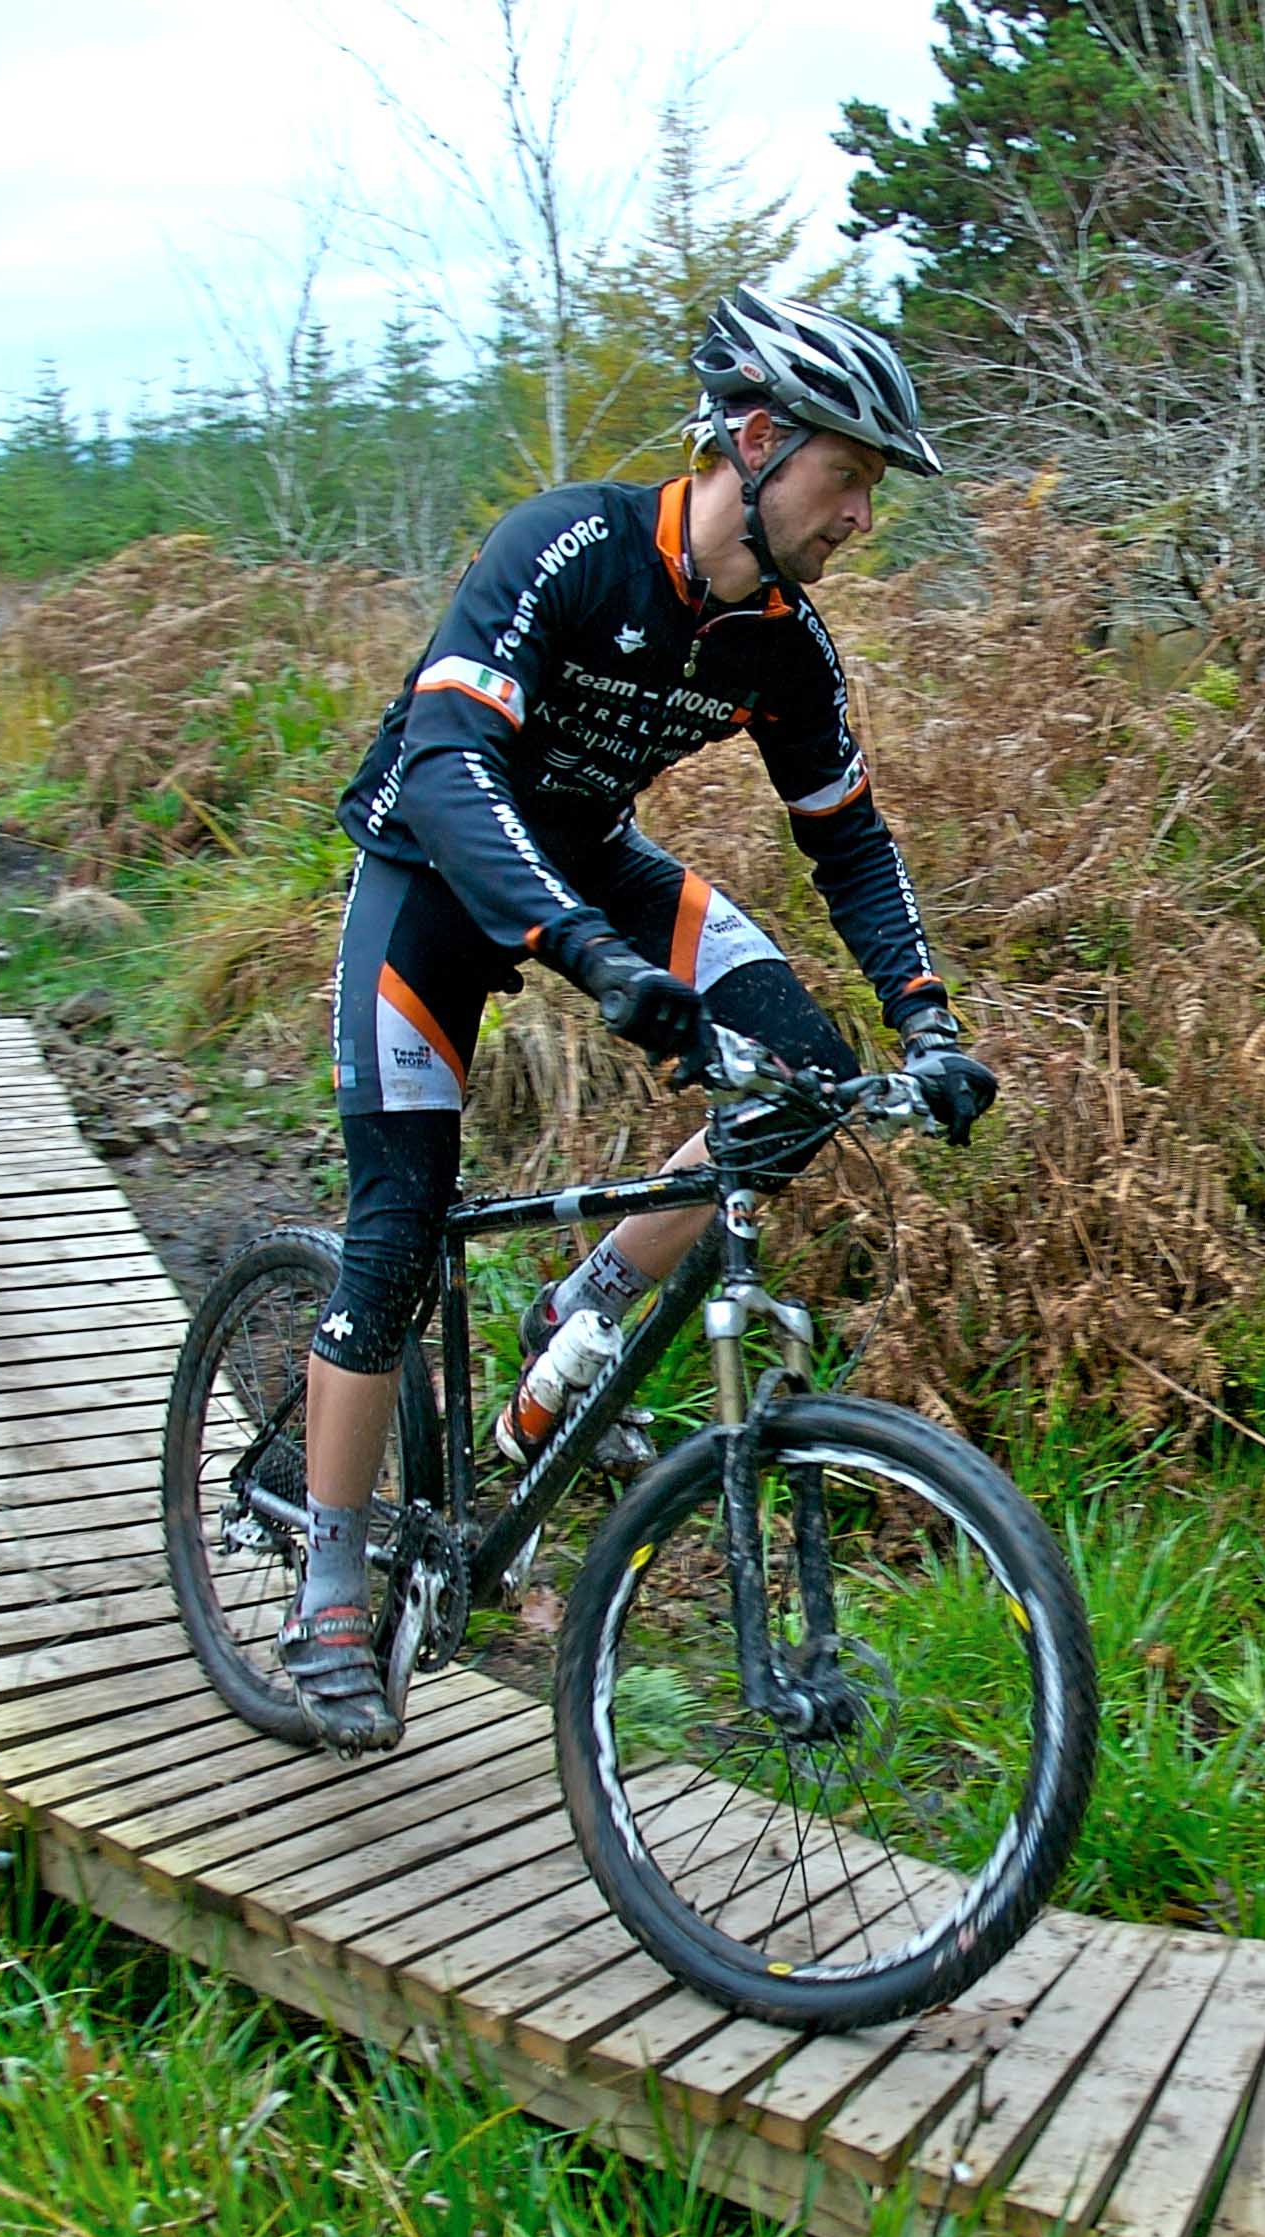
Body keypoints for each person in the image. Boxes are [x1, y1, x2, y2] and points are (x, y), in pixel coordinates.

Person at [283, 289, 1000, 1753]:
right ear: (754, 441)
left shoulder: (782, 647)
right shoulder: (570, 544)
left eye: (872, 487)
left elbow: (847, 841)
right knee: (398, 1229)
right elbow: (442, 763)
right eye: (847, 476)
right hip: (432, 867)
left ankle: (587, 1301)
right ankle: (330, 1571)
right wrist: (597, 961)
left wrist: (926, 1021)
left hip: (585, 856)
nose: (862, 513)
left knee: (803, 1078)